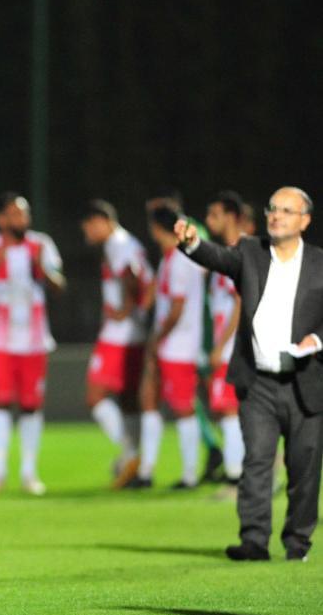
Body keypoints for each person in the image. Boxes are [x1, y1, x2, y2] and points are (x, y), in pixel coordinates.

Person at [175, 187, 323, 561]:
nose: (276, 215)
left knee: (304, 466)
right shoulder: (250, 252)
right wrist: (192, 244)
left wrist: (316, 340)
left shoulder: (320, 263)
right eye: (272, 208)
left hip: (305, 380)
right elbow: (217, 257)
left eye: (287, 211)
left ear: (304, 220)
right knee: (255, 459)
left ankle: (297, 542)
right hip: (258, 381)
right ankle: (254, 540)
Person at [0, 193, 65, 495]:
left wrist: (41, 268)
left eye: (24, 214)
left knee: (31, 405)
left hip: (35, 340)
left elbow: (60, 286)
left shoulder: (42, 244)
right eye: (14, 214)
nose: (21, 220)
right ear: (1, 219)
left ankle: (29, 472)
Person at [80, 199, 154, 487]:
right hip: (133, 333)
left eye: (88, 225)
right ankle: (133, 459)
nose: (86, 232)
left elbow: (131, 275)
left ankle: (131, 454)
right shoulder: (127, 242)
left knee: (95, 396)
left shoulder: (118, 243)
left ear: (101, 221)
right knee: (128, 401)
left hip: (119, 334)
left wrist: (124, 308)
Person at [133, 203, 206, 489]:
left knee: (183, 407)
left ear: (156, 229)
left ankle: (189, 474)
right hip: (169, 344)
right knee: (148, 399)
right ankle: (146, 470)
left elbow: (177, 308)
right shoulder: (171, 259)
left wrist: (156, 338)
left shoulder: (179, 260)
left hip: (179, 345)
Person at [203, 191, 247, 491]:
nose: (209, 221)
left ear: (230, 216)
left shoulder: (240, 251)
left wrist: (221, 346)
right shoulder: (228, 252)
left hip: (234, 345)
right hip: (230, 343)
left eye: (214, 214)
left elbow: (240, 303)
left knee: (228, 408)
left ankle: (236, 475)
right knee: (225, 408)